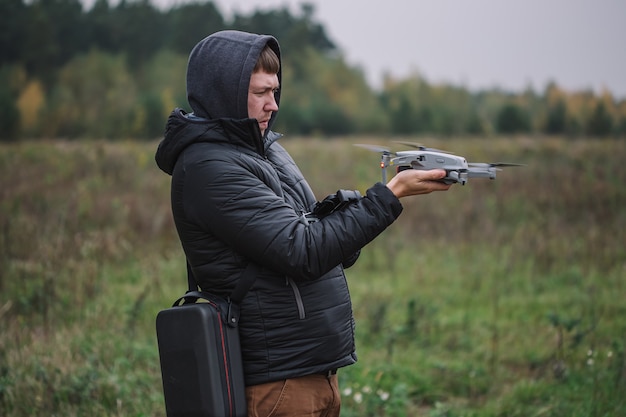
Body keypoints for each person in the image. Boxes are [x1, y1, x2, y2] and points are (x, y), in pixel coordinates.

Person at [155, 30, 450, 417]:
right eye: (260, 92)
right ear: (223, 91)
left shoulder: (265, 151)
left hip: (314, 372)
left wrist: (362, 208)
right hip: (277, 382)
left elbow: (321, 241)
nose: (272, 105)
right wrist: (389, 196)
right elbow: (303, 251)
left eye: (275, 91)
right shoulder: (209, 168)